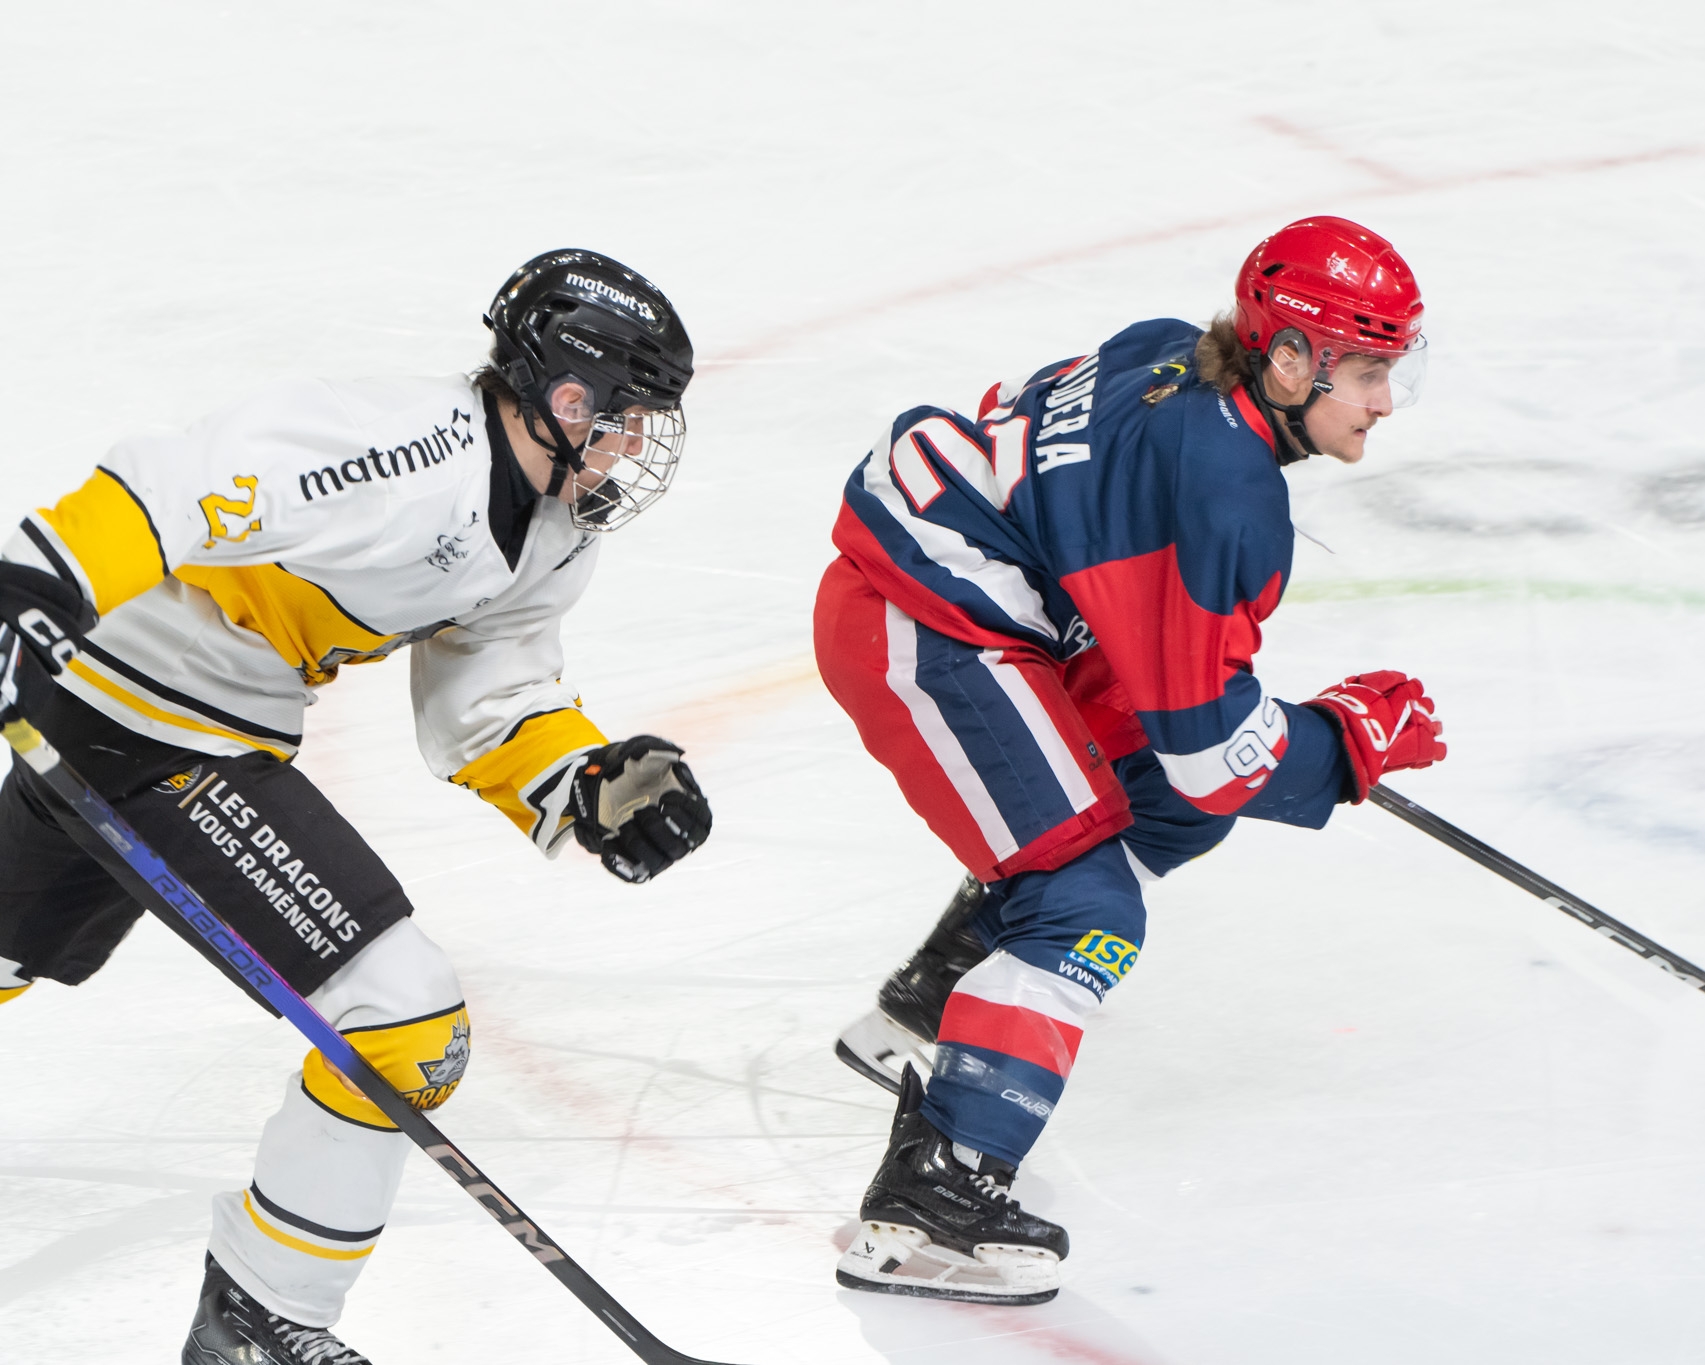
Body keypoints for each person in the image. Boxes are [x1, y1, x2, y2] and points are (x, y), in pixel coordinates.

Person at [0, 250, 714, 1363]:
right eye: (625, 420)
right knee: (404, 1016)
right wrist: (33, 585)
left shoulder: (550, 529)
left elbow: (491, 694)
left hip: (161, 726)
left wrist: (586, 782)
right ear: (568, 399)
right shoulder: (401, 450)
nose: (630, 449)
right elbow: (176, 481)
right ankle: (260, 1317)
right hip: (151, 730)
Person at [815, 217, 1446, 1303]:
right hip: (928, 625)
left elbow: (1182, 753)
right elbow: (1214, 753)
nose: (1384, 400)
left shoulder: (1167, 349)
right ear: (1290, 360)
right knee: (1088, 910)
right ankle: (935, 1198)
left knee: (1162, 803)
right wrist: (1346, 742)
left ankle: (935, 1005)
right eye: (1366, 371)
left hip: (976, 603)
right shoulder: (1228, 493)